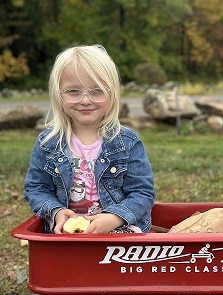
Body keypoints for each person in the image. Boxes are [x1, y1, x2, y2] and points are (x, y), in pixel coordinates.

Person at [24, 44, 156, 237]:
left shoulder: (127, 142)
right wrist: (56, 211)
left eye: (97, 90)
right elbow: (37, 188)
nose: (85, 100)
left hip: (119, 230)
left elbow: (142, 193)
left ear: (112, 93)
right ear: (58, 94)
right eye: (73, 91)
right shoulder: (48, 143)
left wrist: (114, 217)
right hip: (66, 233)